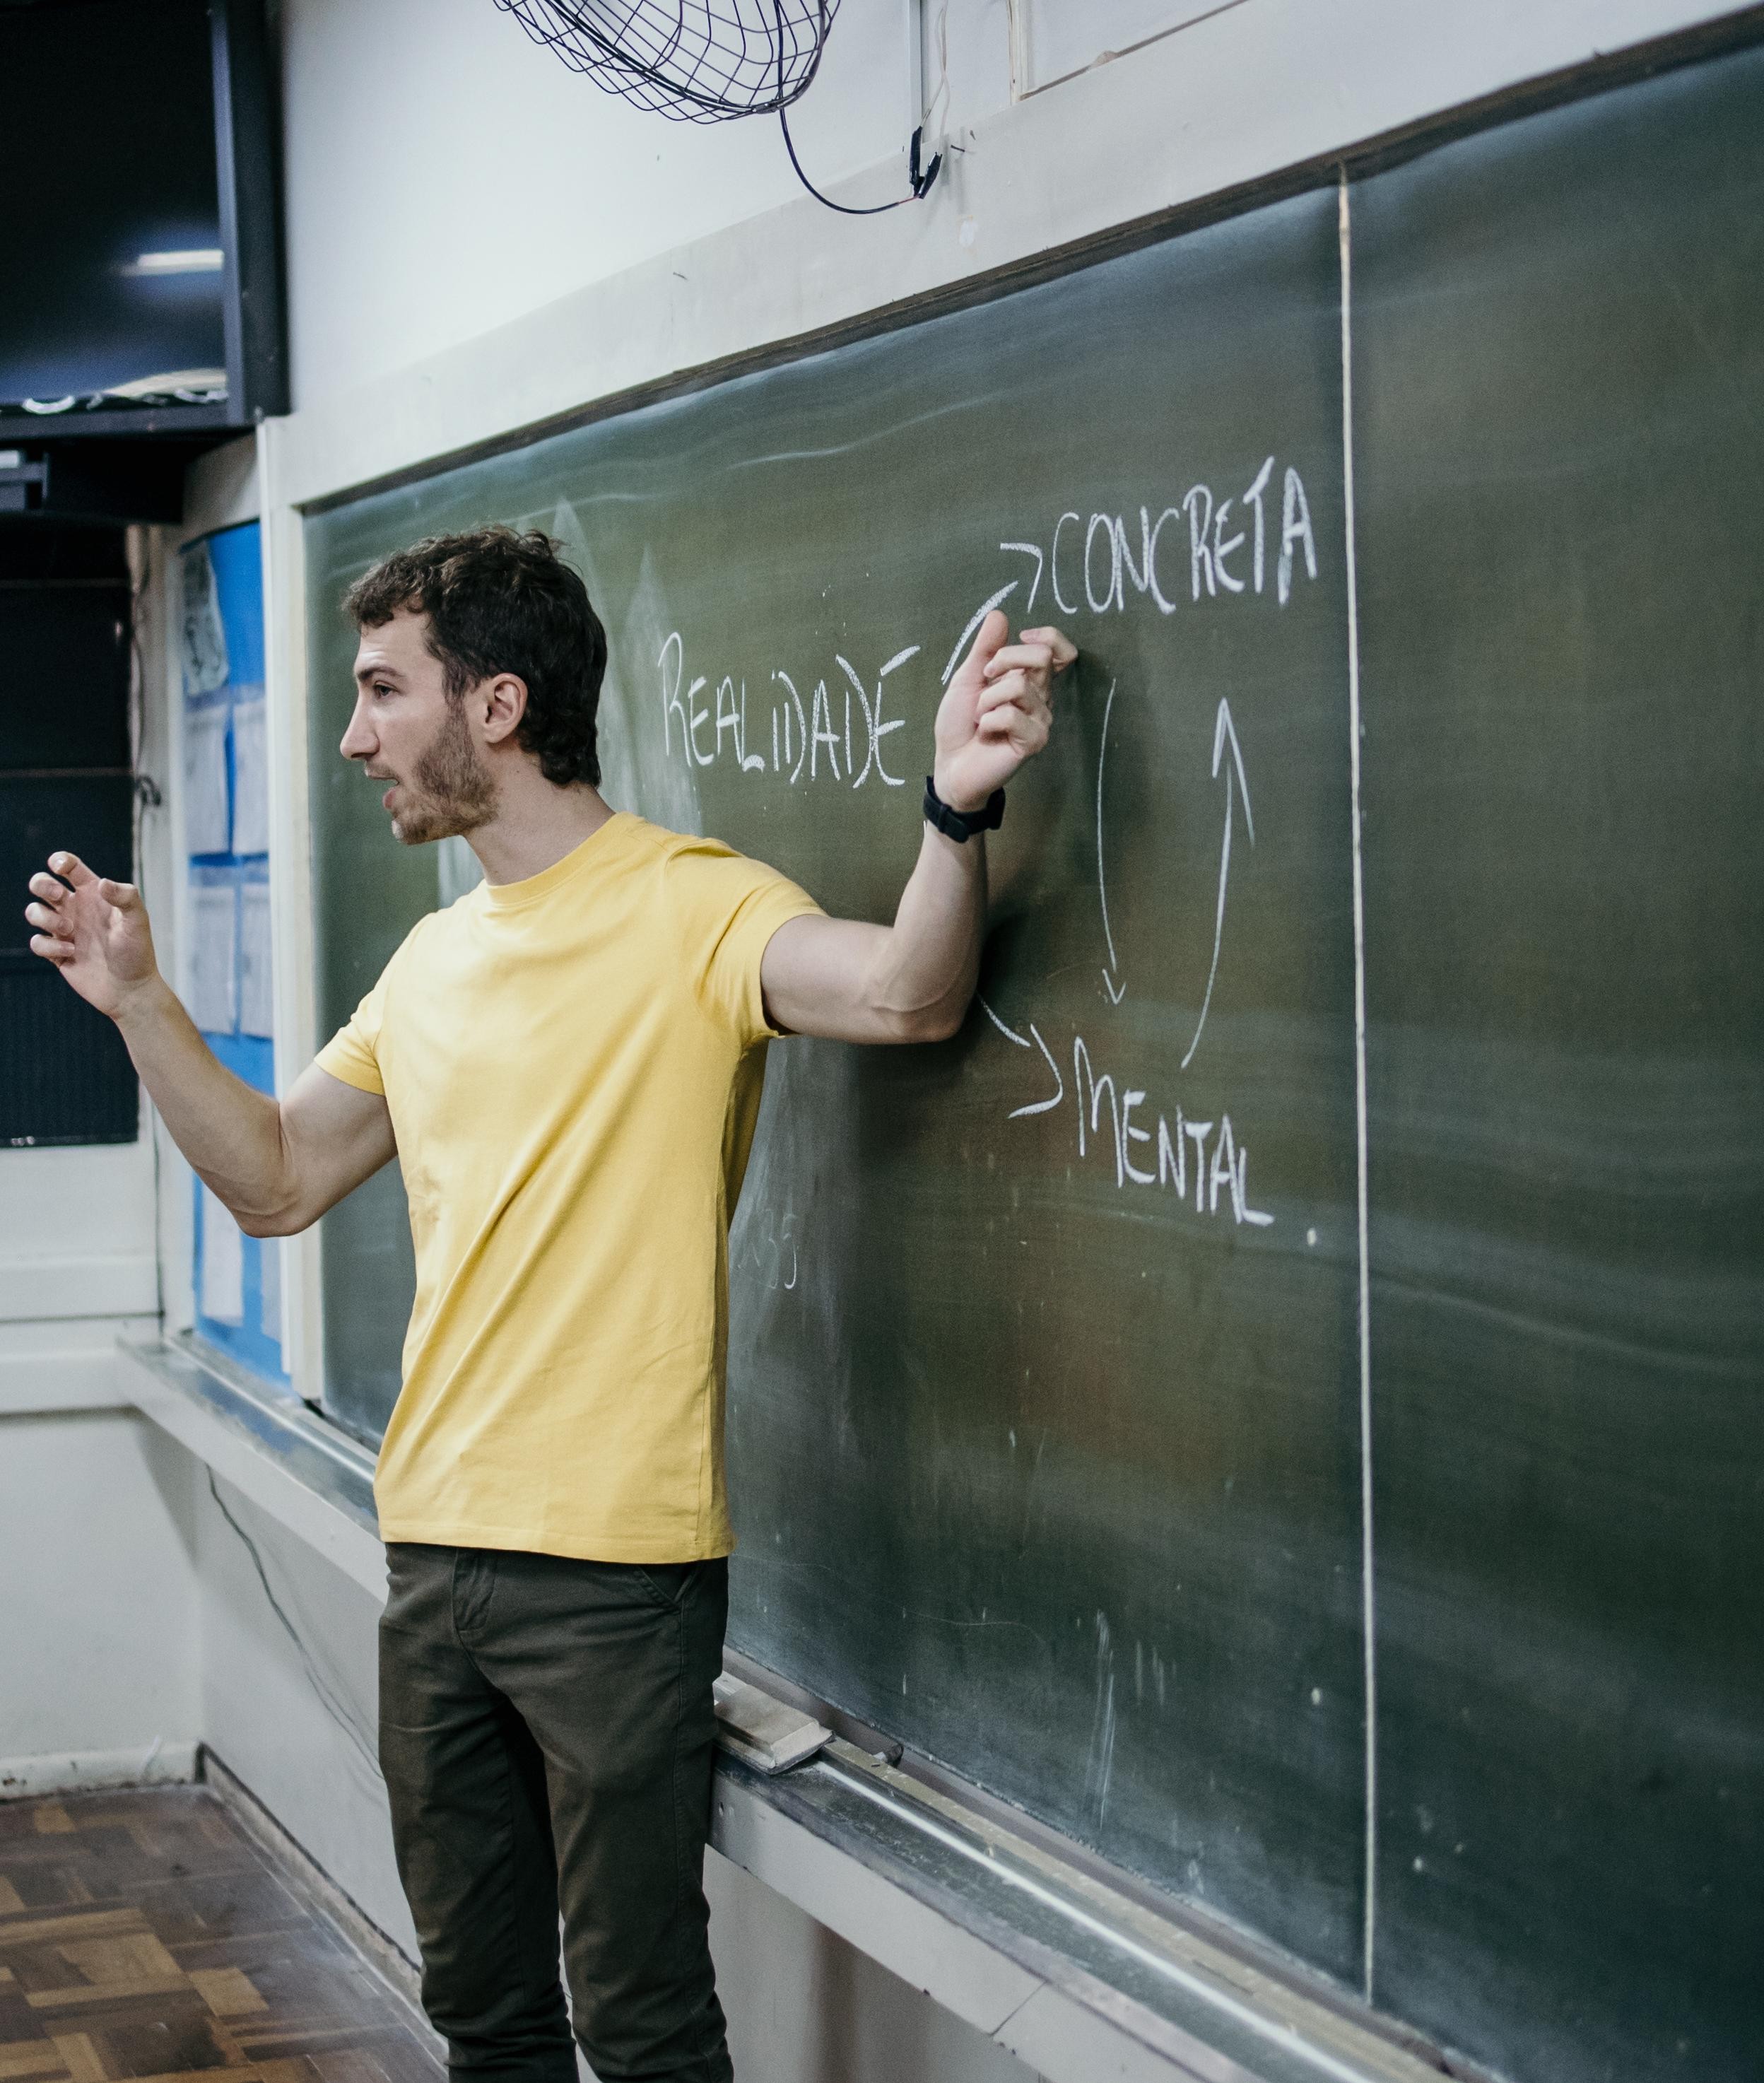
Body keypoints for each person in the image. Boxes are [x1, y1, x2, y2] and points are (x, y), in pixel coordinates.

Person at [25, 525, 1074, 2083]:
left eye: (385, 691)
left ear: (498, 705)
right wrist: (143, 1005)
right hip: (434, 1552)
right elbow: (276, 1178)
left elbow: (906, 989)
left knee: (644, 2026)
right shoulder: (432, 961)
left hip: (617, 1569)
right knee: (485, 2017)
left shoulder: (692, 907)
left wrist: (954, 805)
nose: (354, 733)